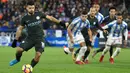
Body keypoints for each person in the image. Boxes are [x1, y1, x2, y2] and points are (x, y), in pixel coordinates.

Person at [9, 1, 66, 68]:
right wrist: (15, 40)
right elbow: (20, 29)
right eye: (30, 8)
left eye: (33, 8)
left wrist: (60, 23)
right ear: (26, 8)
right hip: (30, 38)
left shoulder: (39, 14)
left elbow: (50, 18)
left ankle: (30, 67)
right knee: (19, 50)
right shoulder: (24, 18)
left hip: (40, 38)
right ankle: (17, 59)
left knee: (38, 55)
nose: (32, 9)